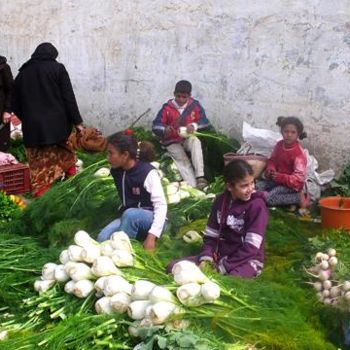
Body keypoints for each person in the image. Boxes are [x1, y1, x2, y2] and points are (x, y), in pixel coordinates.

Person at [167, 159, 269, 278]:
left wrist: (223, 267)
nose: (250, 188)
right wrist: (207, 258)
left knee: (226, 281)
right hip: (220, 255)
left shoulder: (257, 206)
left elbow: (251, 248)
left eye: (252, 183)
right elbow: (211, 236)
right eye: (244, 186)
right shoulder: (220, 202)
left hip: (245, 260)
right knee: (174, 267)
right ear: (229, 186)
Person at [11, 42, 84, 197]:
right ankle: (71, 184)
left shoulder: (23, 73)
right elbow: (68, 98)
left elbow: (14, 103)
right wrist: (77, 122)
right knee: (66, 153)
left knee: (39, 166)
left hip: (33, 129)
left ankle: (42, 197)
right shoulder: (58, 69)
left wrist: (29, 118)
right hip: (58, 125)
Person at [97, 131, 167, 251]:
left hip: (151, 218)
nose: (107, 158)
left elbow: (161, 205)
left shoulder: (148, 173)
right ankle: (131, 236)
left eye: (111, 153)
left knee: (131, 215)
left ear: (125, 155)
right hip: (128, 216)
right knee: (102, 238)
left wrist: (152, 236)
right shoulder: (116, 170)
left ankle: (123, 253)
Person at [152, 80, 210, 190]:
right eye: (178, 96)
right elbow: (155, 126)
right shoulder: (167, 108)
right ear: (174, 94)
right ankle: (193, 186)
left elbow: (205, 122)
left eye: (184, 97)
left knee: (195, 142)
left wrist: (194, 126)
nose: (181, 100)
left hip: (187, 138)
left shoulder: (194, 106)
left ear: (189, 96)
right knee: (182, 159)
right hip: (172, 140)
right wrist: (165, 129)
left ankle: (200, 177)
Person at [256, 116, 309, 208]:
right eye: (286, 131)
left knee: (269, 199)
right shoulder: (279, 145)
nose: (289, 135)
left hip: (290, 186)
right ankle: (269, 195)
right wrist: (271, 168)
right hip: (276, 180)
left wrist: (281, 177)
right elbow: (272, 160)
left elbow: (299, 180)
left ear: (298, 134)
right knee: (255, 187)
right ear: (281, 132)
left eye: (293, 132)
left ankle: (298, 198)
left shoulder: (299, 154)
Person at [0, 55, 14, 150]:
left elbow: (11, 90)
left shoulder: (3, 67)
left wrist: (7, 110)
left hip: (1, 113)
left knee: (2, 147)